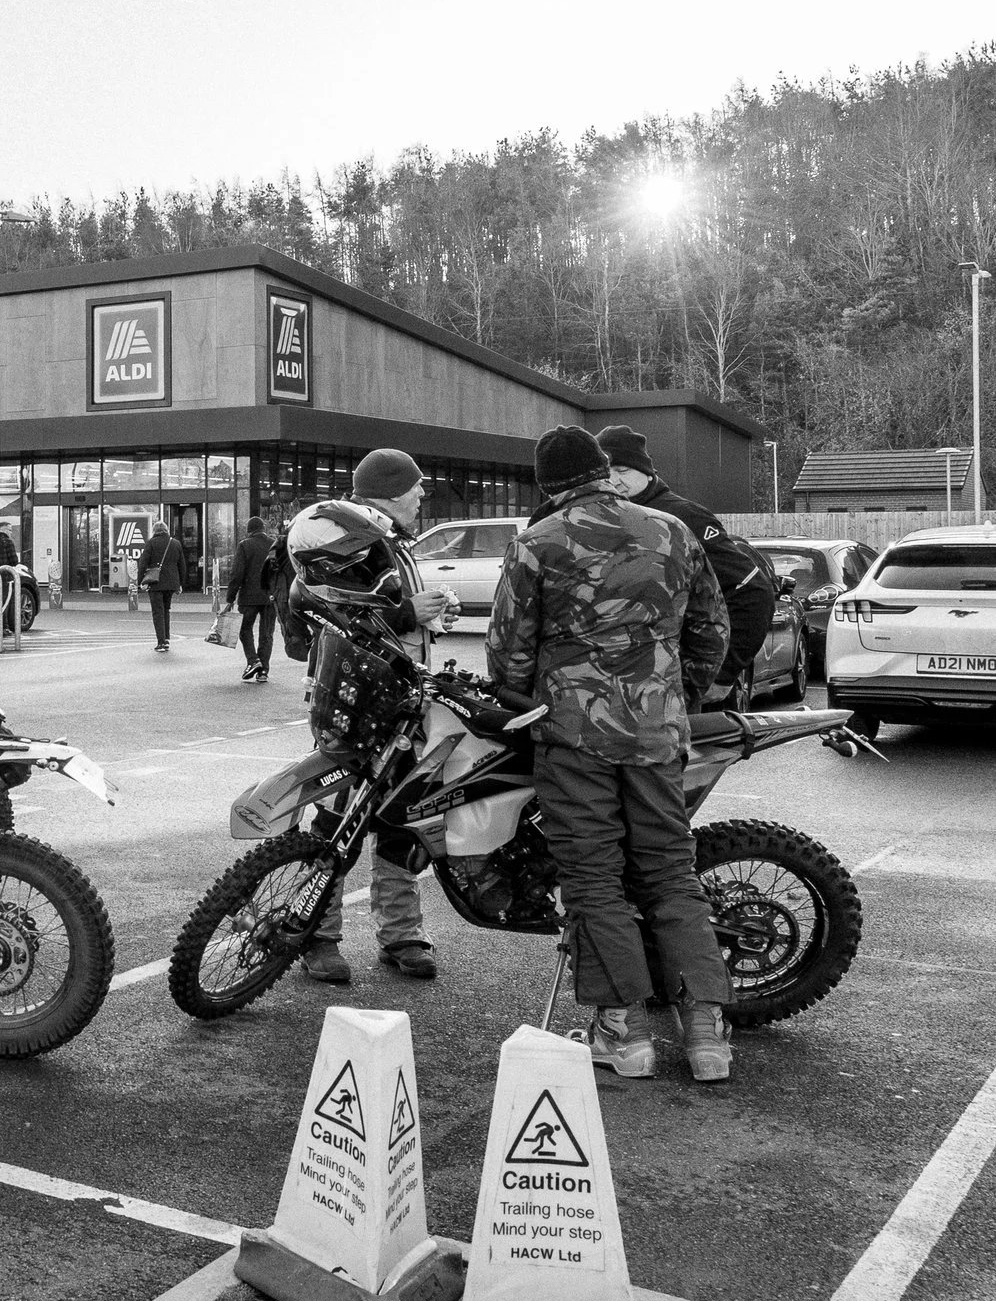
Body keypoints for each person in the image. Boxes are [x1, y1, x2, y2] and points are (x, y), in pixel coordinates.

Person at [489, 427, 735, 1083]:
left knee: (594, 875)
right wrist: (674, 695)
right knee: (668, 869)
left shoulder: (538, 542)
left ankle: (624, 1034)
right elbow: (712, 629)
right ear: (603, 469)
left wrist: (525, 695)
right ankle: (707, 1032)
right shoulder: (672, 532)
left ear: (548, 484)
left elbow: (508, 648)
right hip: (657, 733)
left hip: (574, 736)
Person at [284, 449, 456, 982]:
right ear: (389, 489)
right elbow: (330, 607)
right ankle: (316, 934)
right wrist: (409, 612)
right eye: (416, 486)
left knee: (403, 818)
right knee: (336, 821)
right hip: (355, 704)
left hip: (404, 703)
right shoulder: (346, 534)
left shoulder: (388, 539)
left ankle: (402, 934)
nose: (423, 494)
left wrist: (427, 619)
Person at [595, 425, 778, 709]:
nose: (614, 480)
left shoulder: (684, 518)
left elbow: (752, 592)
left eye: (623, 470)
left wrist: (724, 673)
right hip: (614, 690)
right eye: (606, 471)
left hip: (681, 690)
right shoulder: (598, 520)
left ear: (646, 471)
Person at [224, 515, 277, 682]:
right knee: (266, 633)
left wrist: (230, 597)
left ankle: (253, 661)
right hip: (271, 596)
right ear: (263, 529)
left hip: (249, 596)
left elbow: (237, 573)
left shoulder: (245, 545)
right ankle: (263, 672)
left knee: (245, 629)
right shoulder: (274, 545)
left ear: (249, 531)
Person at [135, 524, 184, 651]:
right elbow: (182, 565)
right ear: (166, 530)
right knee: (166, 610)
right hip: (171, 583)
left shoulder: (151, 543)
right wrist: (180, 584)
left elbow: (143, 563)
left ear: (154, 531)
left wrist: (140, 581)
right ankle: (166, 639)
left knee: (158, 612)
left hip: (155, 582)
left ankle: (161, 642)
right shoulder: (176, 543)